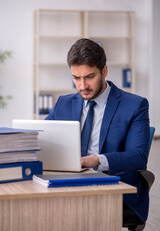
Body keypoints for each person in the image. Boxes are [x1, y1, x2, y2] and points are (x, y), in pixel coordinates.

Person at [45, 38, 150, 225]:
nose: (82, 86)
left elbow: (138, 156)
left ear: (104, 71)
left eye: (89, 77)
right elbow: (41, 138)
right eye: (76, 78)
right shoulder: (63, 103)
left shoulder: (134, 105)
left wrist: (96, 160)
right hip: (67, 182)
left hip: (114, 188)